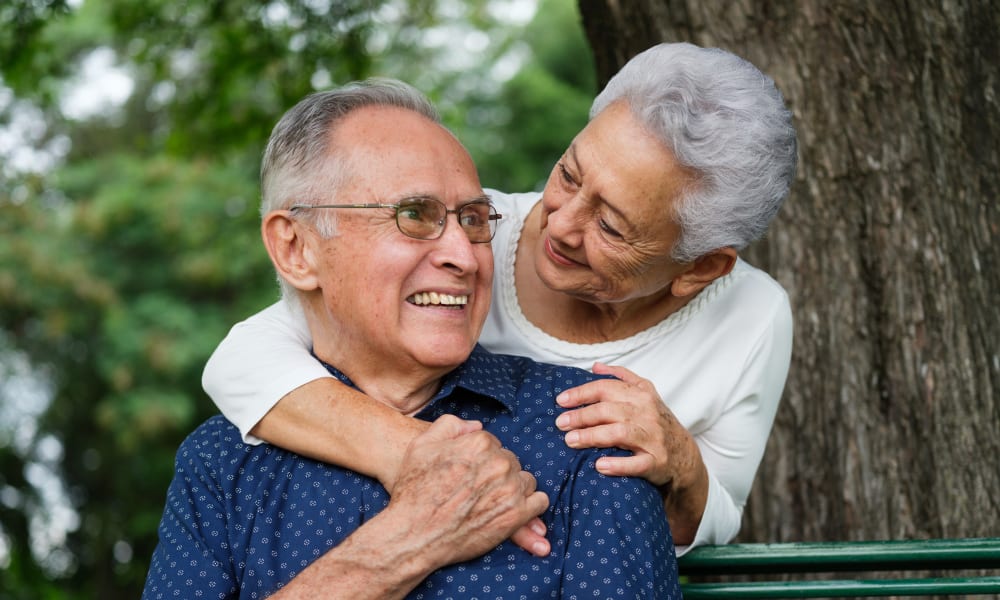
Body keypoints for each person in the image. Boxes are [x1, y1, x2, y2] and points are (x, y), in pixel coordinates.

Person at [202, 42, 799, 553]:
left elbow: (717, 512)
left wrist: (681, 461)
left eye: (612, 228)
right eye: (568, 174)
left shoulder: (753, 315)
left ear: (700, 268)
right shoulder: (463, 233)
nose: (560, 223)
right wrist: (419, 455)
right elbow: (243, 361)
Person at [142, 80, 680, 599]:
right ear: (296, 249)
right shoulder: (219, 465)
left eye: (472, 220)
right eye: (414, 216)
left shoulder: (588, 432)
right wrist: (404, 543)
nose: (464, 256)